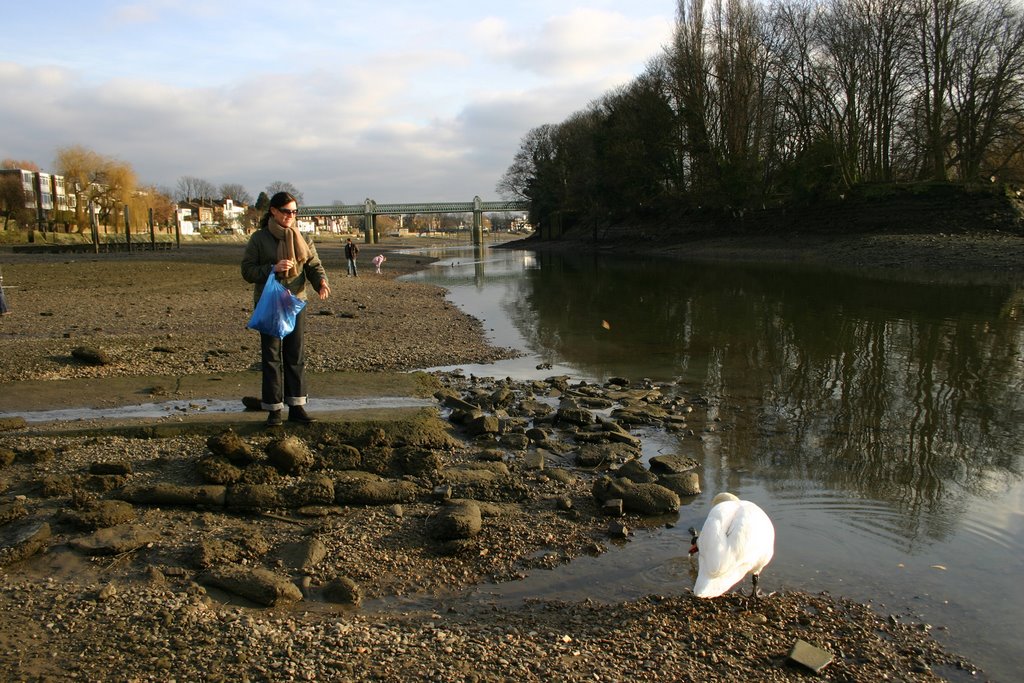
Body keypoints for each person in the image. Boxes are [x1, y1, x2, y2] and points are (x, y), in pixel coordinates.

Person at [241, 192, 330, 426]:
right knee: (271, 357)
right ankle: (274, 411)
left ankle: (297, 408)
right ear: (273, 211)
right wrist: (272, 268)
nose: (291, 216)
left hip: (295, 301)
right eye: (286, 211)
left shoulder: (304, 238)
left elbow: (313, 265)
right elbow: (247, 271)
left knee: (295, 354)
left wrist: (321, 282)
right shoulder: (259, 239)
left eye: (294, 212)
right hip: (269, 302)